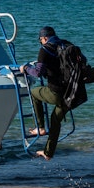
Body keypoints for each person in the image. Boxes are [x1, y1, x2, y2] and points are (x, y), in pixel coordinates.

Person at [19, 26, 68, 160]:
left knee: (34, 93)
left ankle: (40, 127)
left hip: (57, 93)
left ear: (44, 38)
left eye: (40, 40)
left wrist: (26, 68)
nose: (41, 42)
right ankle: (48, 153)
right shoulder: (66, 45)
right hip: (74, 94)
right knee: (55, 120)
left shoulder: (44, 50)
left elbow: (37, 72)